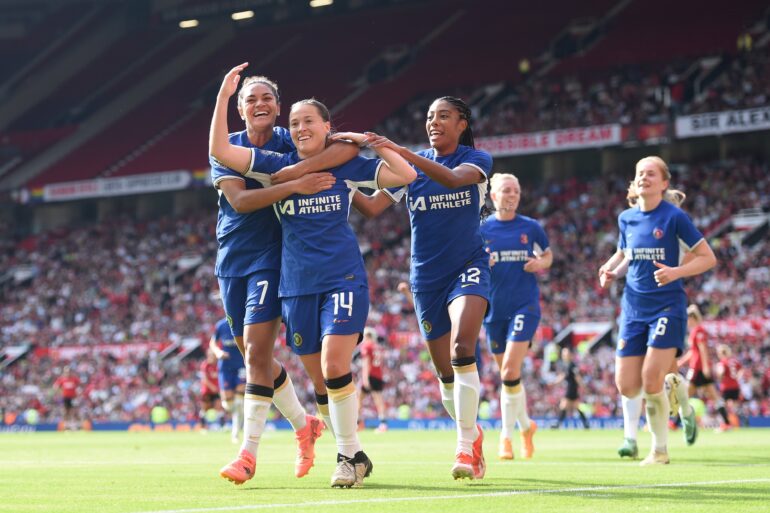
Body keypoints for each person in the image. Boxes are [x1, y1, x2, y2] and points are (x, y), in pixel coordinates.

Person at [210, 65, 416, 488]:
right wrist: (290, 180)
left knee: (315, 362)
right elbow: (235, 184)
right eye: (251, 100)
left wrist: (361, 143)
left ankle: (256, 453)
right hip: (264, 272)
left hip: (309, 268)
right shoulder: (266, 158)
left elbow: (354, 156)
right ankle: (328, 439)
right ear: (241, 109)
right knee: (279, 365)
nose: (299, 128)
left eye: (306, 121)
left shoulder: (298, 146)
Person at [351, 96, 493, 480]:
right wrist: (341, 177)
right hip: (426, 278)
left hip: (468, 267)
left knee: (463, 348)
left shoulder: (477, 160)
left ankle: (464, 450)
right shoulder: (409, 164)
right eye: (430, 116)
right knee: (446, 376)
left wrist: (399, 153)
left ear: (462, 123)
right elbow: (371, 208)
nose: (434, 121)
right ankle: (473, 433)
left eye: (443, 116)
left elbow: (452, 178)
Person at [598, 156, 716, 465]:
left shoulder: (674, 217)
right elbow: (627, 253)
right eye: (639, 173)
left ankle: (659, 450)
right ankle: (683, 403)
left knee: (652, 379)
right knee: (626, 384)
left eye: (651, 174)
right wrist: (611, 270)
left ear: (664, 183)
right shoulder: (626, 218)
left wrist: (676, 272)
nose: (643, 178)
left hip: (667, 306)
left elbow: (707, 257)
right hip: (633, 309)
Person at [480, 172, 551, 460]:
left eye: (516, 191)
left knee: (509, 371)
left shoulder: (531, 228)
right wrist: (484, 261)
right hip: (494, 310)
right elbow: (470, 261)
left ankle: (505, 438)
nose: (511, 195)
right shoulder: (483, 229)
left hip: (525, 305)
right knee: (509, 377)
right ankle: (526, 425)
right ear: (494, 196)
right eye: (506, 190)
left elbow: (548, 255)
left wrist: (540, 263)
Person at [678, 305, 731, 429]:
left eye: (688, 318)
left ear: (693, 317)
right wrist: (681, 362)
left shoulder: (699, 331)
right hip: (698, 367)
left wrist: (706, 367)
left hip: (698, 369)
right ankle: (726, 423)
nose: (687, 321)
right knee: (714, 396)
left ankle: (674, 423)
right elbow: (693, 352)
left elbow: (703, 350)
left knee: (685, 395)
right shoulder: (695, 331)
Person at [209, 317, 247, 444]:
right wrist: (218, 352)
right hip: (225, 367)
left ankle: (235, 433)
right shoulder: (221, 325)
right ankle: (237, 421)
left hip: (241, 366)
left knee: (239, 402)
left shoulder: (244, 322)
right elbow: (212, 342)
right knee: (228, 404)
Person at [357, 327, 388, 432]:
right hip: (378, 375)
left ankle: (357, 423)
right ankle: (383, 423)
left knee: (359, 399)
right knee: (379, 400)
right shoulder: (377, 347)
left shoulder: (366, 346)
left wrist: (365, 378)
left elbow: (366, 363)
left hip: (370, 375)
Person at [551, 347, 589, 429]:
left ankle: (558, 424)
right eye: (563, 354)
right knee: (576, 407)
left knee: (564, 405)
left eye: (565, 354)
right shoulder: (566, 365)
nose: (564, 356)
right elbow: (563, 376)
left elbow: (577, 377)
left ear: (570, 355)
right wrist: (555, 382)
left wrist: (583, 386)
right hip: (571, 388)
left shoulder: (572, 365)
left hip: (572, 388)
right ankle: (586, 424)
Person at [716, 344, 742, 428]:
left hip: (726, 387)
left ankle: (726, 423)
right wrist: (738, 376)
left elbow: (721, 373)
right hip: (736, 387)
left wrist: (719, 376)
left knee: (720, 405)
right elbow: (741, 369)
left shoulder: (723, 362)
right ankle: (738, 423)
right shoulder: (734, 361)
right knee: (734, 406)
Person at [199, 349, 221, 431]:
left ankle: (221, 426)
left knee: (219, 407)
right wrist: (213, 387)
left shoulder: (218, 365)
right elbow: (204, 379)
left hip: (216, 391)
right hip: (207, 391)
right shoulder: (205, 365)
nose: (213, 357)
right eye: (211, 355)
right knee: (205, 408)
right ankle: (203, 427)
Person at [54, 366, 80, 430]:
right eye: (66, 371)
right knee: (66, 411)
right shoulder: (62, 379)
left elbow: (79, 386)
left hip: (73, 397)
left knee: (73, 411)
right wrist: (60, 392)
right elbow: (55, 386)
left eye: (69, 371)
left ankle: (73, 426)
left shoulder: (74, 379)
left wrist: (78, 393)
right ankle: (66, 426)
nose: (68, 373)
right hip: (65, 397)